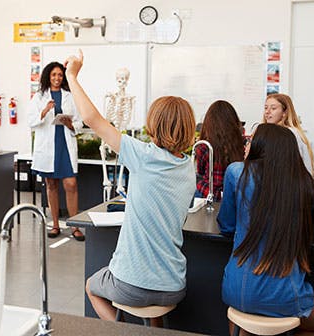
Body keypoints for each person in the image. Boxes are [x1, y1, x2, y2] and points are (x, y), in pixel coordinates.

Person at [65, 51, 196, 323]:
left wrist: (71, 76)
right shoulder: (188, 166)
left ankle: (119, 330)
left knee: (92, 286)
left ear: (154, 124)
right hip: (173, 287)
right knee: (152, 307)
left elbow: (92, 119)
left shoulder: (143, 155)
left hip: (131, 285)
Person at [217, 123, 314, 334]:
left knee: (244, 320)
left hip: (237, 289)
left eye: (250, 140)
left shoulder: (236, 172)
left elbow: (227, 225)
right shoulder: (302, 182)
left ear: (261, 145)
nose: (246, 144)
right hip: (284, 293)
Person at [28, 62, 85, 241]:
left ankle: (75, 225)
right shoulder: (39, 97)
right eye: (54, 75)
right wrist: (44, 111)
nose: (57, 78)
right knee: (51, 185)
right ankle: (55, 225)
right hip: (48, 147)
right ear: (48, 76)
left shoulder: (70, 96)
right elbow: (31, 122)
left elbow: (79, 122)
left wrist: (70, 124)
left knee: (71, 184)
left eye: (60, 75)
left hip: (65, 145)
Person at [195, 100, 244, 201]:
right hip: (232, 196)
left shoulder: (204, 146)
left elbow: (200, 170)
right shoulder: (240, 143)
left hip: (208, 193)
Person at [262, 93, 314, 174]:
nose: (267, 112)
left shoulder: (288, 134)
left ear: (285, 112)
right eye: (266, 108)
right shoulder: (271, 132)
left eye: (273, 108)